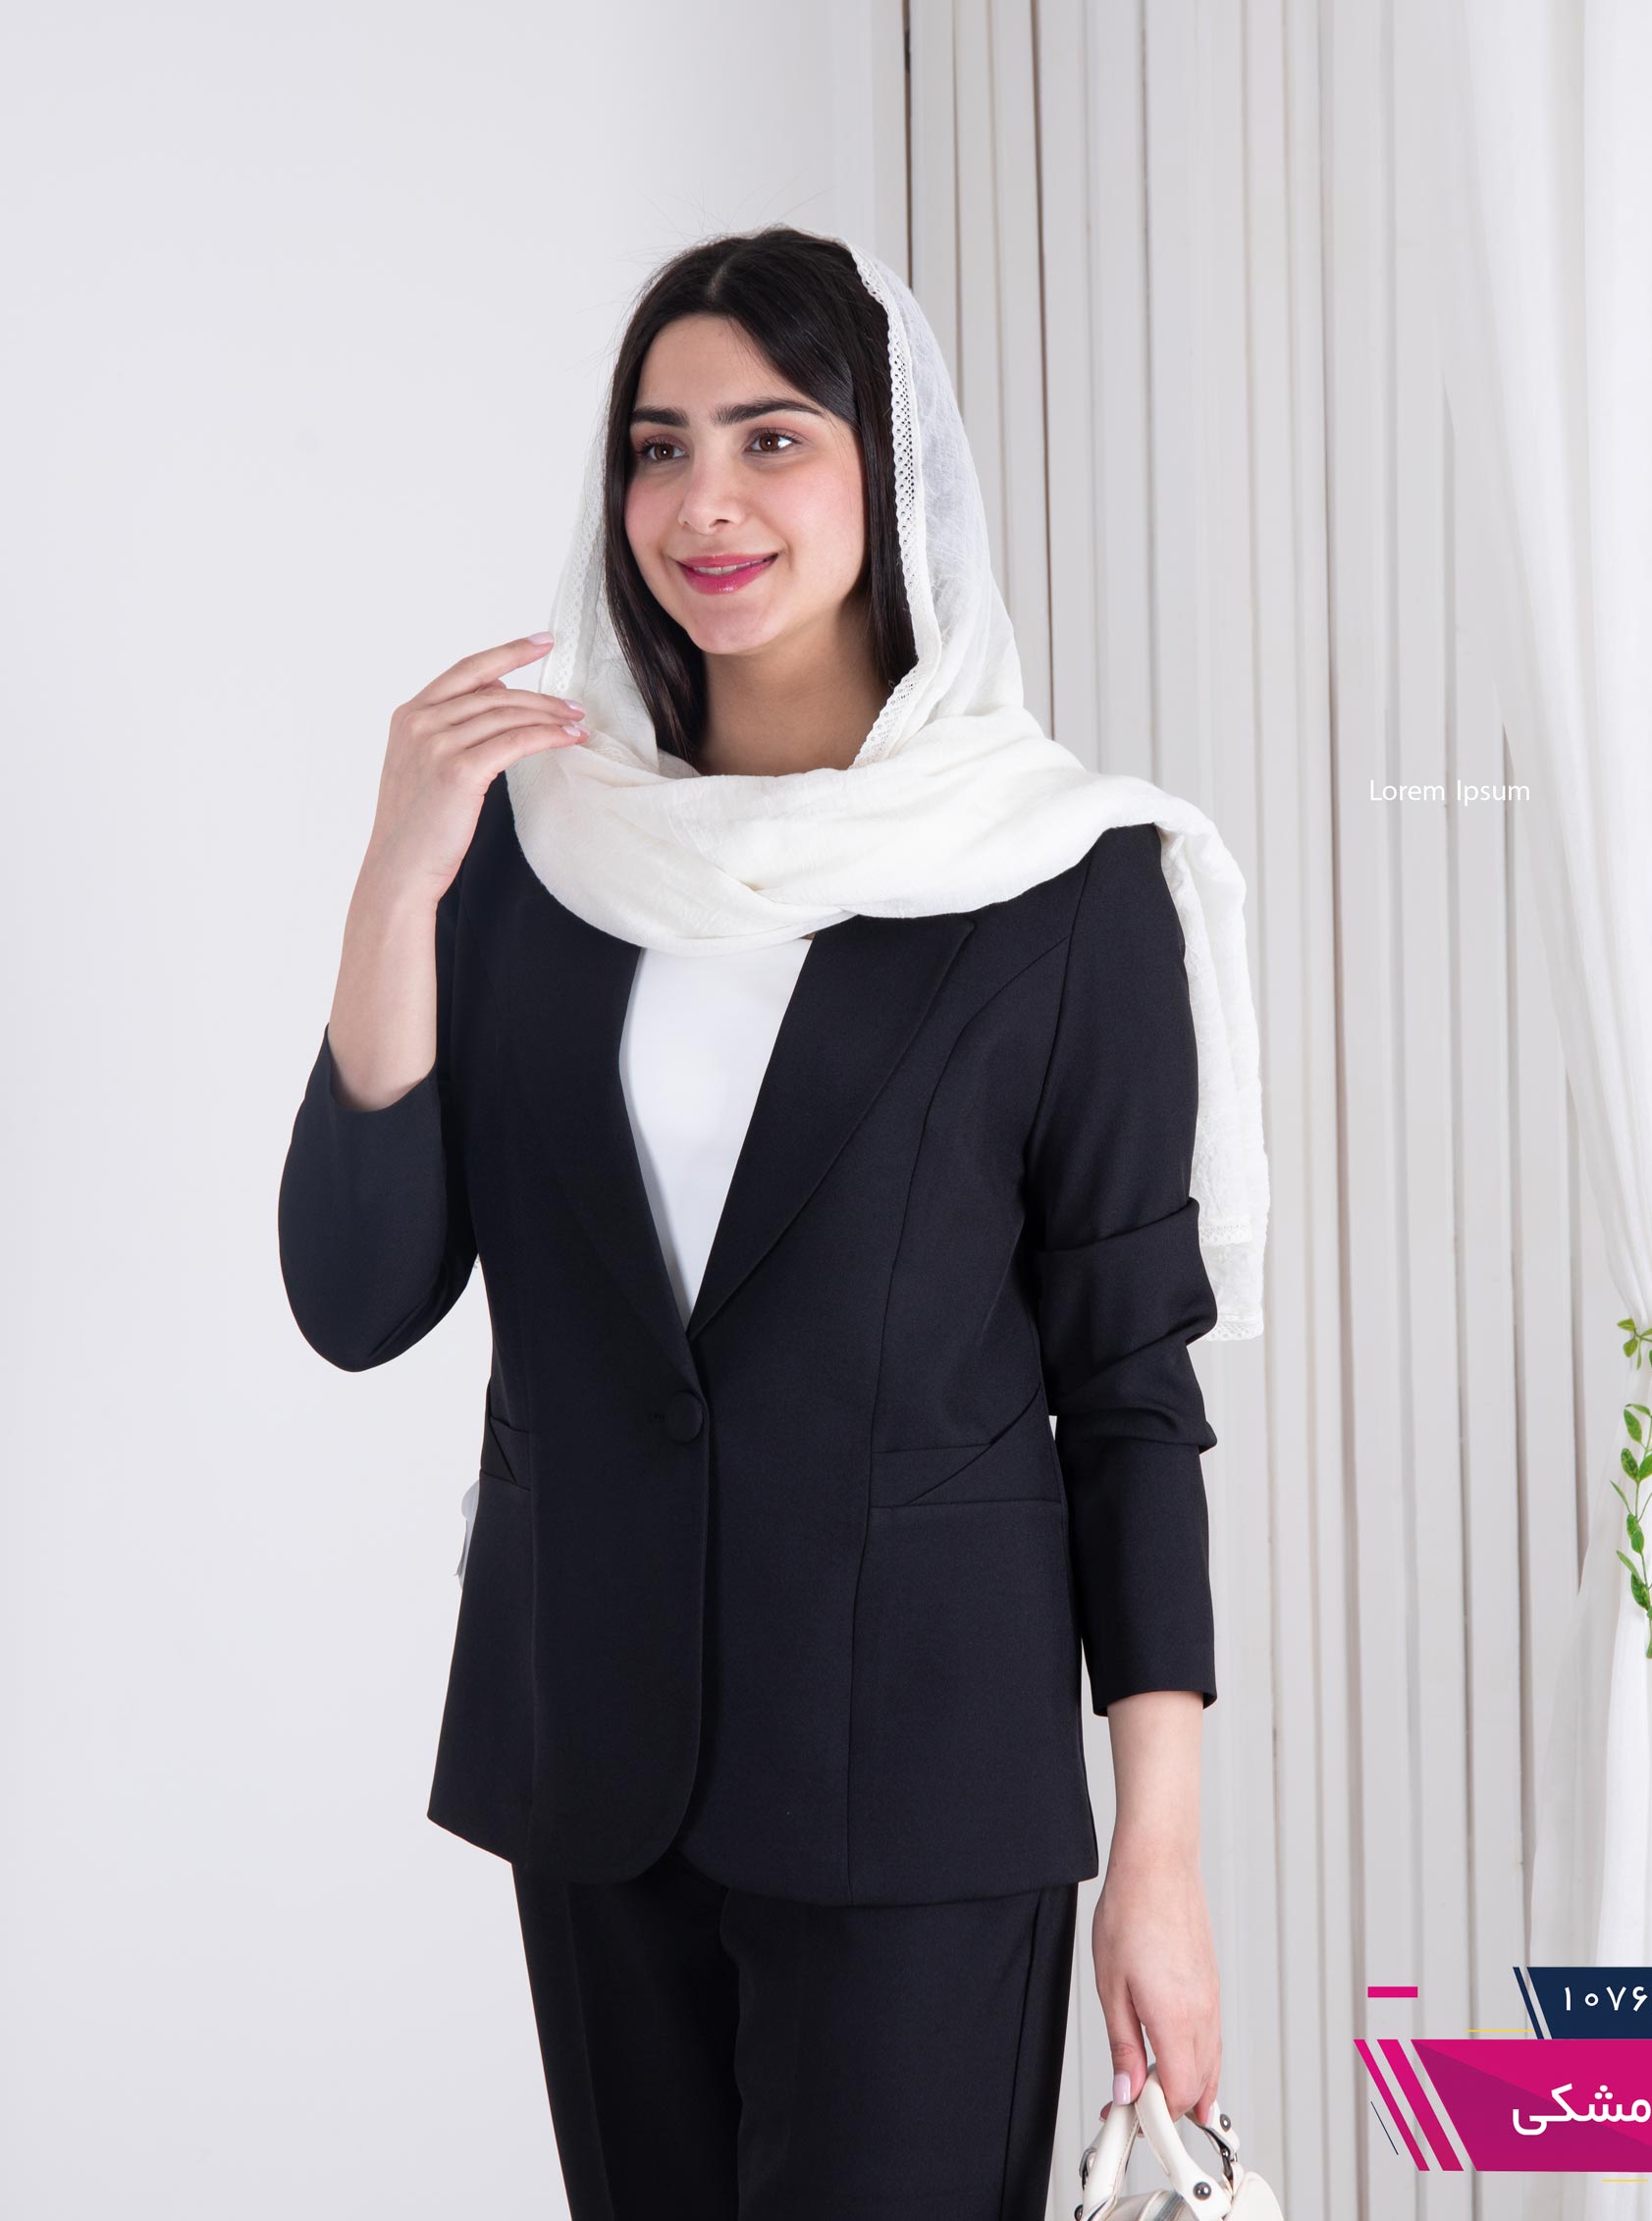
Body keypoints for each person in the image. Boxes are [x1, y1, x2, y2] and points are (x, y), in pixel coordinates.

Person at [277, 225, 1268, 2221]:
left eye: (771, 436)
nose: (701, 501)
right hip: (597, 1770)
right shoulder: (540, 854)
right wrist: (398, 878)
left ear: (891, 474)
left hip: (922, 1794)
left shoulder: (1058, 880)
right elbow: (361, 1295)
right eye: (655, 446)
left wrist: (1155, 1851)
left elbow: (1126, 1396)